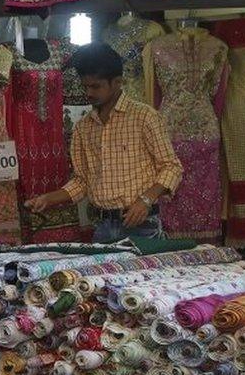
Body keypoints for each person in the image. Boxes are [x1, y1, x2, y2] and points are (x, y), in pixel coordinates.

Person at [26, 43, 183, 243]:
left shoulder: (145, 117)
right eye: (85, 86)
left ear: (117, 82)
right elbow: (83, 182)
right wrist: (48, 199)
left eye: (96, 86)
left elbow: (171, 167)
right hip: (103, 226)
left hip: (141, 224)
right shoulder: (83, 128)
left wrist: (145, 200)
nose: (89, 93)